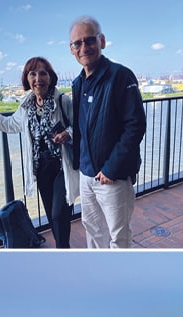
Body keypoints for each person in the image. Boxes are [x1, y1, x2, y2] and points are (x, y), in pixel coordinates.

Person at [0, 57, 77, 248]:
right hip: (41, 167)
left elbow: (80, 128)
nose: (38, 78)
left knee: (59, 213)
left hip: (62, 165)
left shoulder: (63, 101)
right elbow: (11, 124)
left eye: (43, 73)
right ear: (27, 79)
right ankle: (64, 249)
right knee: (52, 216)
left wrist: (68, 135)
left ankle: (63, 252)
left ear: (50, 77)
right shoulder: (27, 106)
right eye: (32, 74)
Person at [69, 16, 146, 248]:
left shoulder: (120, 76)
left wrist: (111, 168)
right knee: (92, 230)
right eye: (77, 43)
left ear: (102, 41)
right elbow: (83, 127)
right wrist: (79, 164)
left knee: (118, 235)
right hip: (86, 173)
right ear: (71, 49)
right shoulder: (77, 83)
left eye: (89, 40)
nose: (84, 47)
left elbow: (135, 125)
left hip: (112, 177)